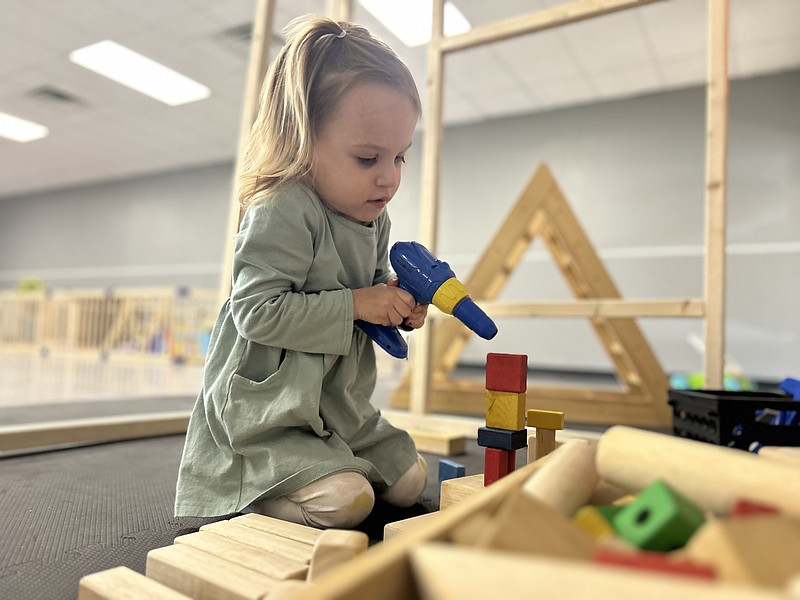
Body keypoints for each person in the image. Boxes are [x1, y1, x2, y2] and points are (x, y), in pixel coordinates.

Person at [174, 14, 428, 529]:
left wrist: (395, 307)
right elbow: (255, 312)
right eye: (367, 157)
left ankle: (326, 463)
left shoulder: (372, 214)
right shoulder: (283, 206)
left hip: (337, 404)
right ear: (303, 139)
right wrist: (360, 302)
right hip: (273, 410)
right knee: (348, 502)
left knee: (410, 481)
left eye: (400, 156)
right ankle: (255, 491)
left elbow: (370, 296)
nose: (389, 176)